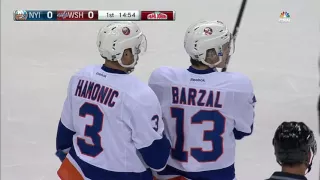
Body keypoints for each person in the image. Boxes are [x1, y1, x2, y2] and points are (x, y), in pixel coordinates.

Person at [55, 21, 171, 180]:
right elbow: (157, 161)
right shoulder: (139, 94)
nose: (137, 53)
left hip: (80, 170)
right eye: (134, 49)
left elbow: (64, 138)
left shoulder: (80, 77)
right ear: (125, 54)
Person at [149, 20, 256, 180]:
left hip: (168, 173)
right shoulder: (237, 86)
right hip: (217, 175)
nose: (228, 51)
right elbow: (242, 131)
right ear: (211, 53)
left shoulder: (162, 79)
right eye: (224, 48)